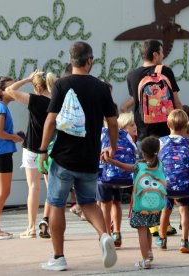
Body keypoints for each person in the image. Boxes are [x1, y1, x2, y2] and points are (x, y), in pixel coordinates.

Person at [38, 41, 118, 271]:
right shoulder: (102, 88)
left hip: (63, 157)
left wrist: (43, 150)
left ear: (72, 61)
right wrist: (111, 147)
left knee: (56, 204)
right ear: (89, 60)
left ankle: (59, 257)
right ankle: (104, 235)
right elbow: (112, 123)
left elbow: (51, 120)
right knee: (88, 202)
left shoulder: (62, 85)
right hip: (89, 158)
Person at [127, 39, 181, 237]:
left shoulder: (132, 76)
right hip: (166, 134)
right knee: (164, 178)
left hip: (143, 134)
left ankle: (151, 223)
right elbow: (175, 101)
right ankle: (164, 224)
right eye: (161, 52)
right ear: (156, 55)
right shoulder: (165, 71)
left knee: (146, 179)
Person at [5, 70, 57, 239]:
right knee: (51, 188)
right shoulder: (58, 102)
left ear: (37, 87)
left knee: (33, 187)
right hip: (50, 149)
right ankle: (46, 222)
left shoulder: (35, 100)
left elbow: (9, 91)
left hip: (32, 148)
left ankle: (31, 227)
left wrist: (26, 79)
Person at [104, 136, 163, 269]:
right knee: (148, 227)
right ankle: (149, 252)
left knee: (141, 230)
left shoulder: (139, 166)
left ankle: (145, 260)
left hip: (141, 204)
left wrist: (110, 160)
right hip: (155, 205)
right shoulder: (160, 165)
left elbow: (124, 166)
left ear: (143, 152)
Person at [0, 76, 24, 240]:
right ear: (1, 92)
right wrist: (13, 138)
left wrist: (13, 135)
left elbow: (0, 132)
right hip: (1, 153)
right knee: (3, 191)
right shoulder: (1, 108)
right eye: (10, 87)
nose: (13, 90)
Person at [155, 109, 189, 254]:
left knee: (165, 211)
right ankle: (184, 241)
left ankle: (162, 238)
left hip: (167, 184)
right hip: (185, 186)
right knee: (184, 211)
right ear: (186, 126)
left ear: (168, 124)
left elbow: (156, 161)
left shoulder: (161, 141)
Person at [97, 112, 138, 248]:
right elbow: (136, 152)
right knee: (116, 203)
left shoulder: (101, 132)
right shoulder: (125, 135)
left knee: (105, 205)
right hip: (121, 176)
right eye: (132, 124)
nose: (135, 126)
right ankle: (117, 232)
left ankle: (107, 235)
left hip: (104, 174)